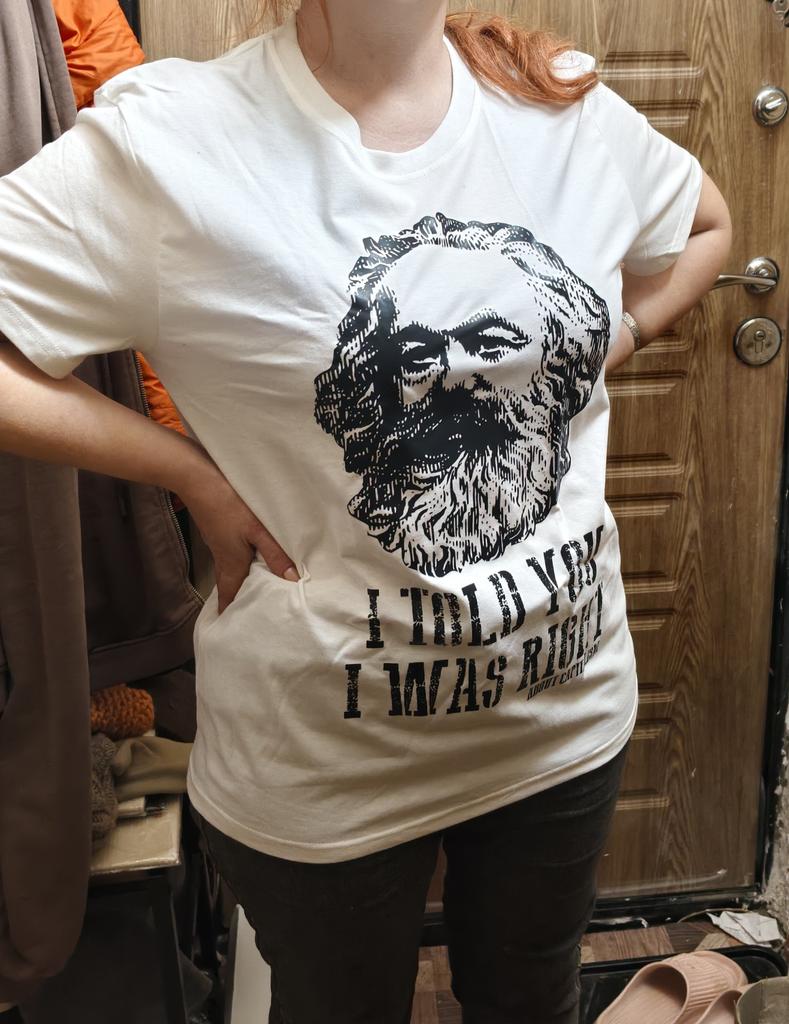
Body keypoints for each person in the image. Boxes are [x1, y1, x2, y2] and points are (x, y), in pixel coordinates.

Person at [0, 1, 732, 1021]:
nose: (462, 377)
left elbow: (706, 225)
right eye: (420, 355)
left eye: (494, 344)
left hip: (563, 725)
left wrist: (613, 339)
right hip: (320, 774)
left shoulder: (560, 105)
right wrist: (186, 470)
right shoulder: (174, 142)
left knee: (534, 1000)